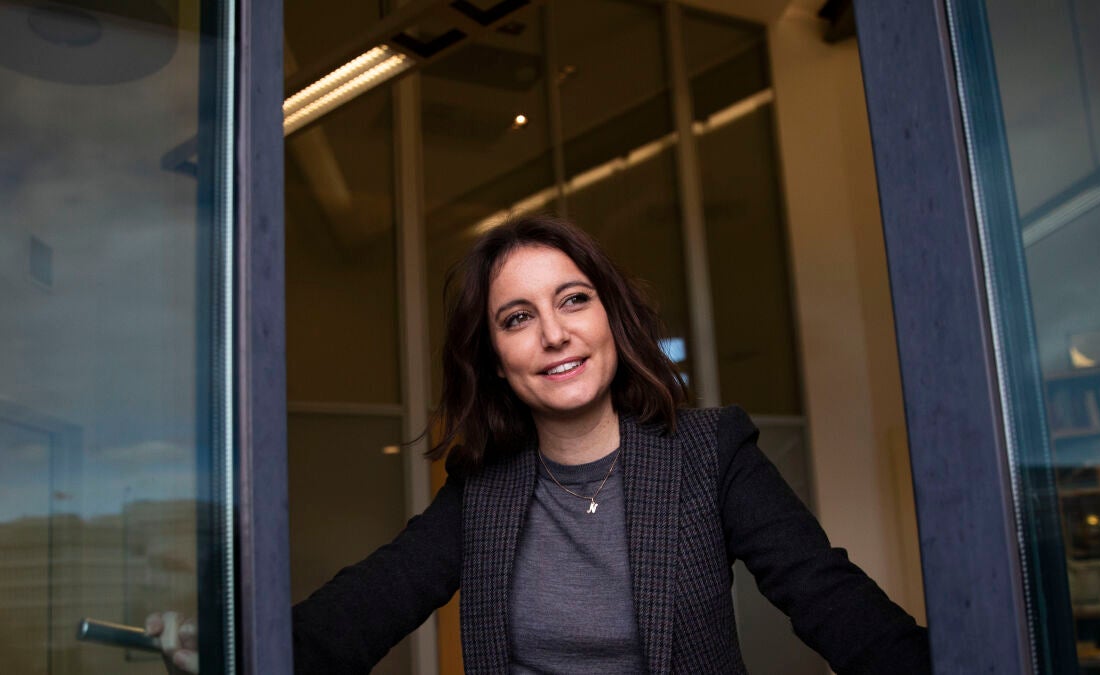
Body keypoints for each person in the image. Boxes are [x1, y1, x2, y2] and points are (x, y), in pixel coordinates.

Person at [150, 214, 931, 674]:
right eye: (517, 317)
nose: (554, 332)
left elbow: (832, 600)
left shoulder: (709, 451)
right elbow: (362, 608)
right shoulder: (484, 488)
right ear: (495, 357)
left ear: (609, 318)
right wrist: (237, 649)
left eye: (573, 300)